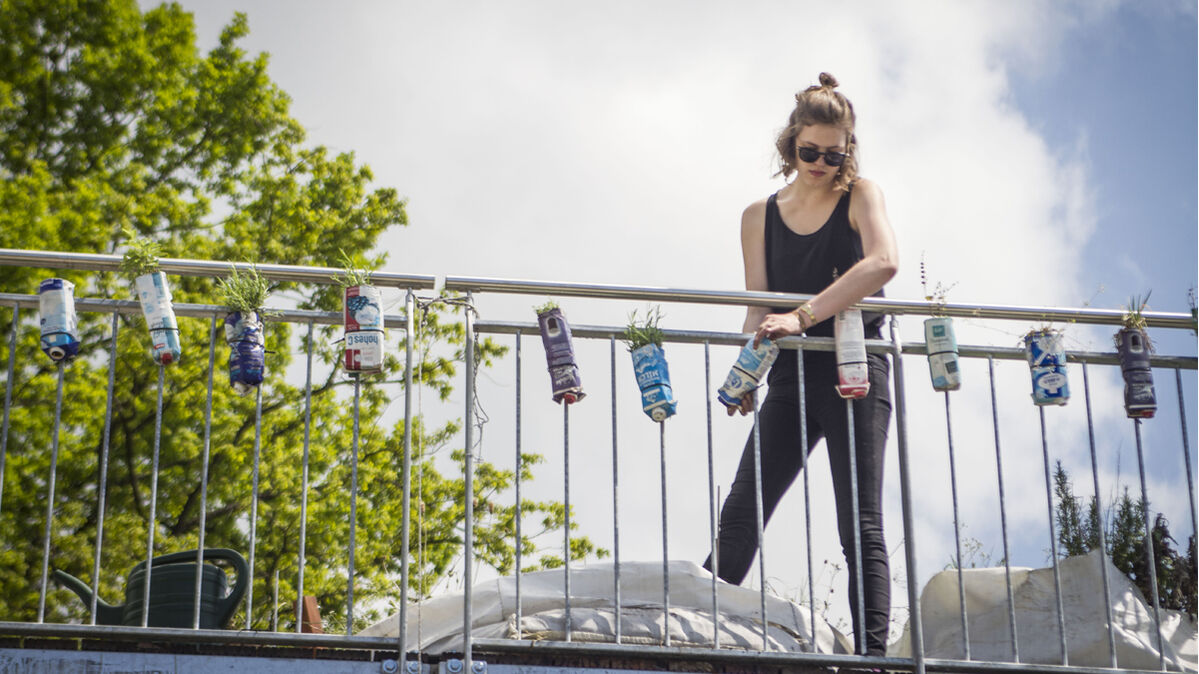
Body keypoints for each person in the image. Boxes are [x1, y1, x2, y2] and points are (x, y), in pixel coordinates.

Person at [704, 72, 898, 657]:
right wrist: (748, 372)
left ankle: (872, 660)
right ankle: (696, 637)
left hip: (854, 371)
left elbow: (884, 262)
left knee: (859, 522)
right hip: (790, 377)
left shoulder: (860, 195)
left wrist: (803, 315)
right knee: (742, 510)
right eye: (809, 151)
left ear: (848, 150)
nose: (819, 164)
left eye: (833, 155)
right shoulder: (758, 215)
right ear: (790, 144)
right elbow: (758, 307)